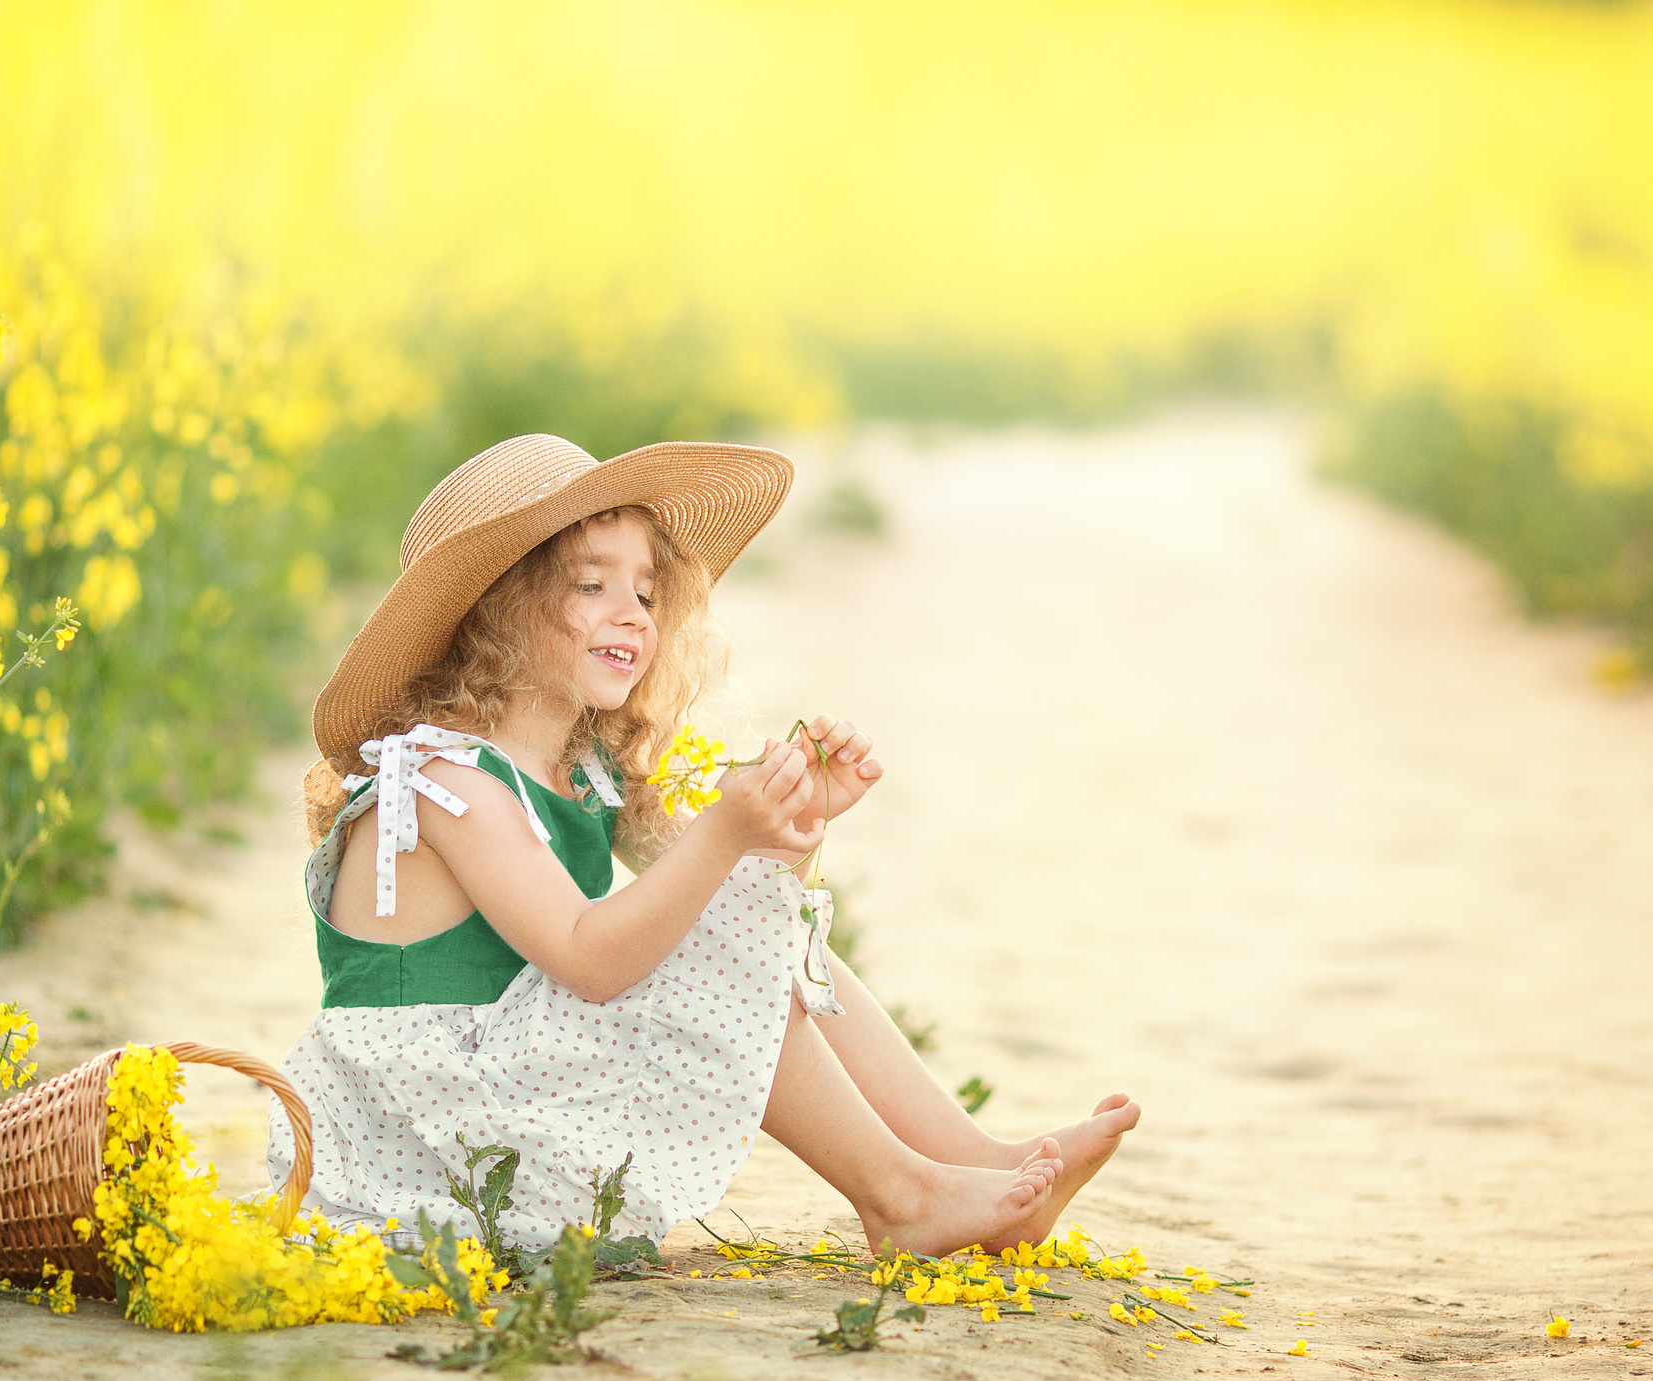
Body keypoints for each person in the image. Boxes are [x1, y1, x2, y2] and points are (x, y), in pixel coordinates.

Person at [269, 433, 1139, 1258]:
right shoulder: (445, 776)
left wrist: (791, 823)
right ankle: (902, 1198)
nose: (631, 615)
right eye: (589, 586)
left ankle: (975, 1160)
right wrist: (727, 833)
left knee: (756, 928)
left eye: (646, 593)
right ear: (495, 608)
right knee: (717, 930)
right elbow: (591, 960)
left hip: (508, 1098)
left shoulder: (586, 767)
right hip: (423, 1134)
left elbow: (743, 916)